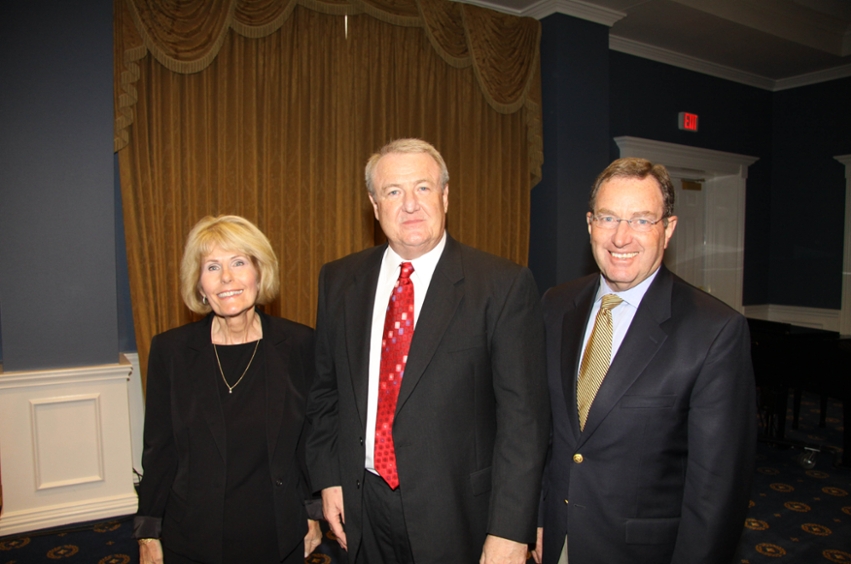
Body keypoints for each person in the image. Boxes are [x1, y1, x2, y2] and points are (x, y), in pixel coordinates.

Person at [306, 139, 549, 563]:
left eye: (422, 188)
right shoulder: (339, 281)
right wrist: (329, 480)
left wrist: (510, 530)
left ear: (445, 195)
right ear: (374, 204)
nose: (410, 205)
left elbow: (523, 421)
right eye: (393, 192)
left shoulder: (502, 286)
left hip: (458, 514)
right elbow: (325, 393)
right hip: (363, 506)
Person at [536, 158, 756, 564]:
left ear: (667, 229)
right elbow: (543, 433)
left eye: (641, 220)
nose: (621, 238)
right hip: (557, 539)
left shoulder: (715, 331)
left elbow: (717, 491)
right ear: (589, 224)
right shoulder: (555, 305)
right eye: (608, 218)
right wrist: (534, 516)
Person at [134, 215, 322, 564]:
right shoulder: (170, 351)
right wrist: (148, 530)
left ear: (259, 272)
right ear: (200, 285)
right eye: (212, 267)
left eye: (239, 263)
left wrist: (313, 512)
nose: (227, 278)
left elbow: (309, 439)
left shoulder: (298, 343)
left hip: (278, 530)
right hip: (193, 534)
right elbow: (159, 448)